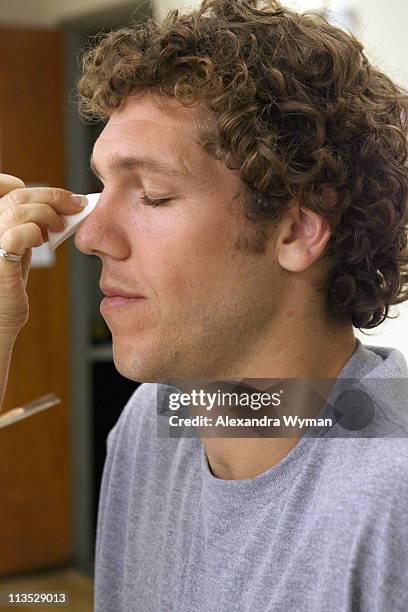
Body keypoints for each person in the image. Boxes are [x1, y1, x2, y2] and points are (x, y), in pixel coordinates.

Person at [0, 0, 407, 610]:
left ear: (296, 230)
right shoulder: (156, 422)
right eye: (102, 186)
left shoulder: (392, 496)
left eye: (154, 194)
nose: (88, 236)